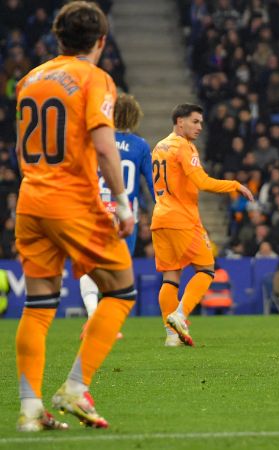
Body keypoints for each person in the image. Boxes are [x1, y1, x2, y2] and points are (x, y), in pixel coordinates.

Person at [14, 2, 136, 431]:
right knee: (121, 290)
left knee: (38, 306)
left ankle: (30, 410)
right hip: (71, 201)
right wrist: (122, 203)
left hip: (30, 201)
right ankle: (75, 388)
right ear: (101, 41)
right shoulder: (95, 77)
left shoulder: (30, 79)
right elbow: (105, 147)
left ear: (58, 37)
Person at [151, 104, 254, 347]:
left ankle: (171, 335)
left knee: (170, 278)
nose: (199, 127)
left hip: (160, 218)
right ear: (180, 121)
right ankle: (180, 315)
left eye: (201, 122)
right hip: (182, 219)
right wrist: (234, 185)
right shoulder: (184, 147)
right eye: (195, 121)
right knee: (207, 269)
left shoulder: (159, 146)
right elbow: (202, 181)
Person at [79, 93, 155, 339]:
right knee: (118, 272)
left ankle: (93, 316)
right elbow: (152, 185)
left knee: (90, 266)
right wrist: (161, 207)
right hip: (124, 217)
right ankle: (106, 324)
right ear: (134, 117)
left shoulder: (95, 140)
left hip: (94, 212)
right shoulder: (140, 145)